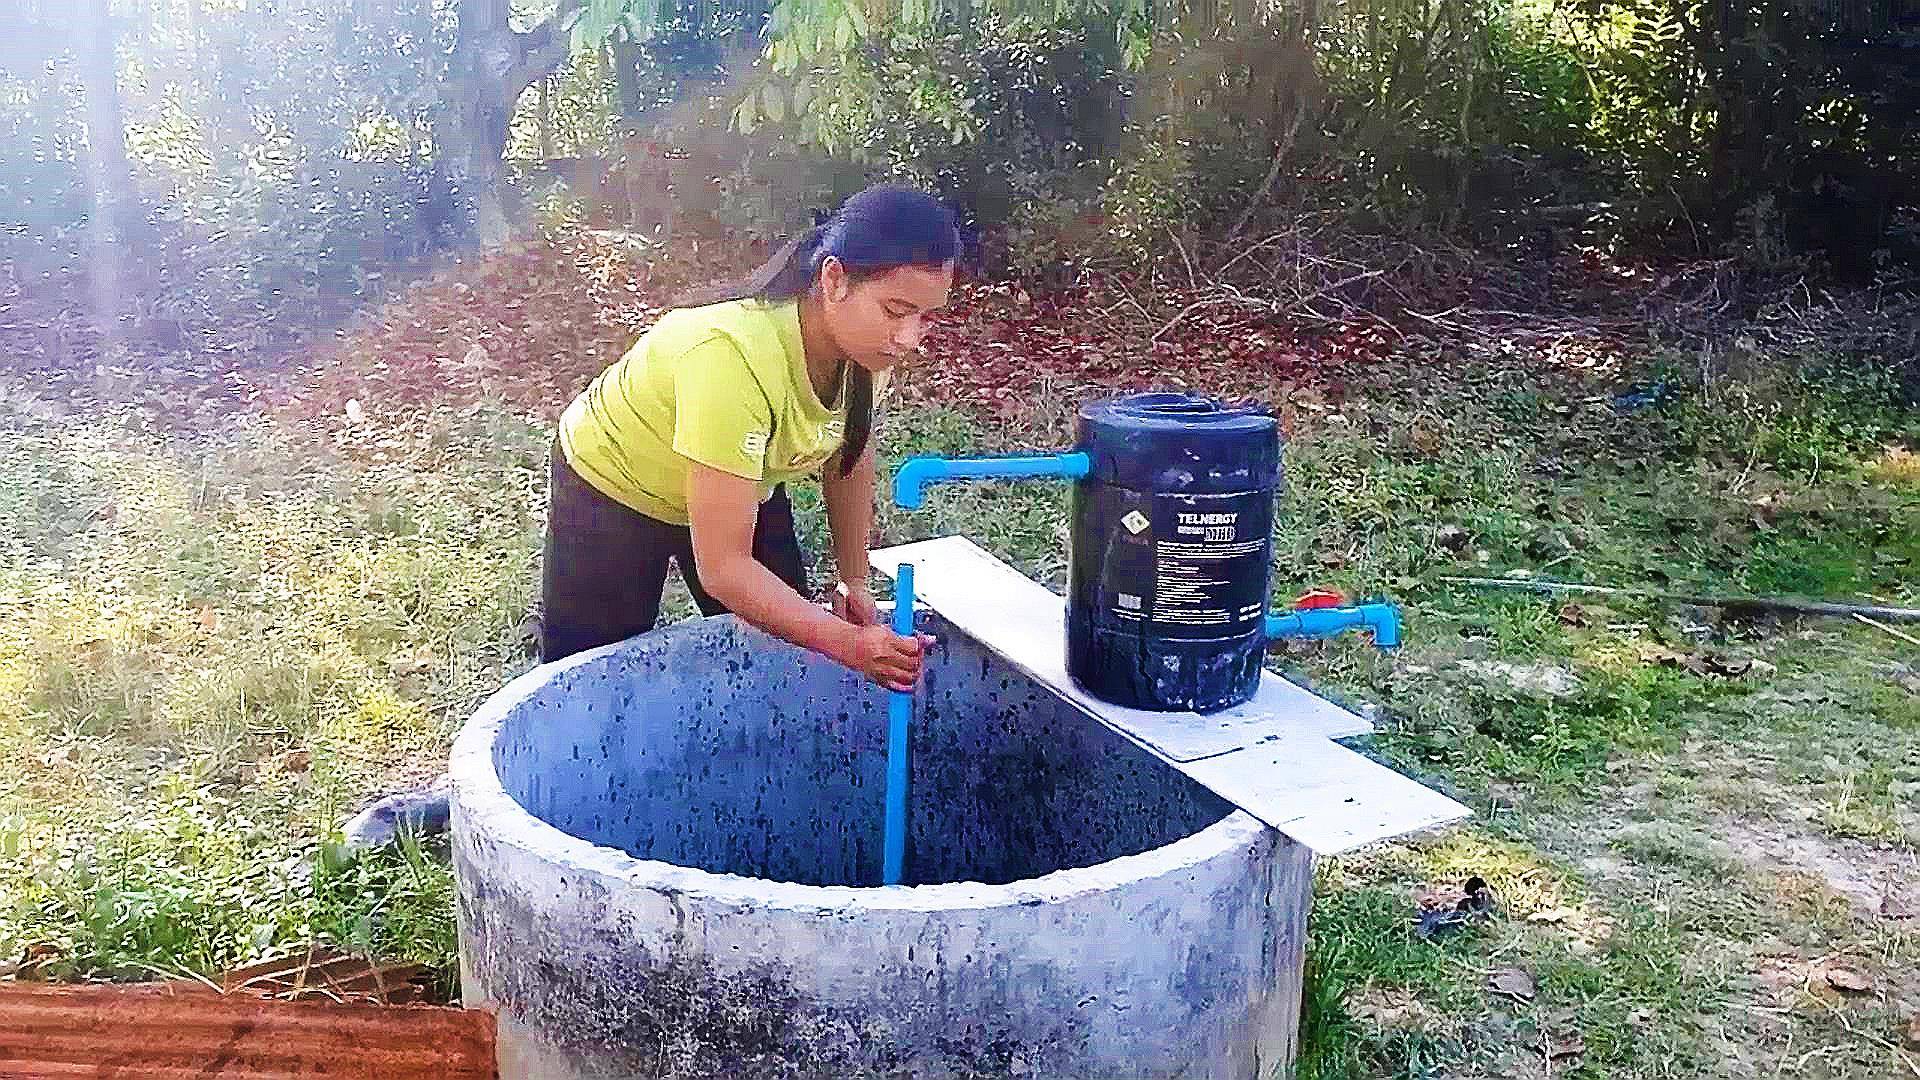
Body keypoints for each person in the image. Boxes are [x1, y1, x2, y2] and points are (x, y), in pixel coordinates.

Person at [539, 184, 956, 692]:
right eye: (895, 310)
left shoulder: (867, 351)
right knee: (587, 681)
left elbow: (850, 451)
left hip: (739, 477)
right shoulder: (729, 356)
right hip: (615, 483)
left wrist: (854, 580)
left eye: (924, 317)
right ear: (834, 279)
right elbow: (724, 569)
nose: (909, 339)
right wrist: (848, 644)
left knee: (782, 659)